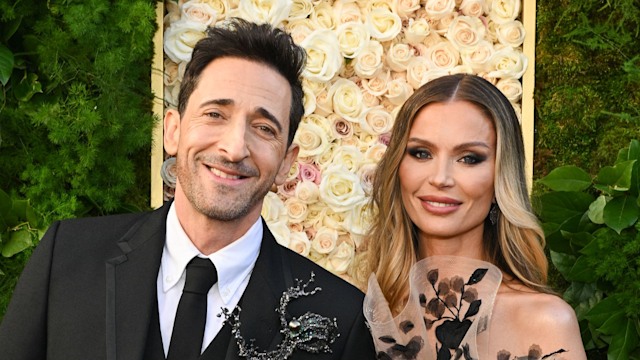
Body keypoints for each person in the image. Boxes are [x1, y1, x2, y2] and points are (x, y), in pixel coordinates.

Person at [0, 18, 375, 360]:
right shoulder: (67, 257)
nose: (233, 148)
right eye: (215, 114)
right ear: (173, 130)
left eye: (264, 128)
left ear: (286, 163)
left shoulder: (340, 320)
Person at [361, 74, 587, 359]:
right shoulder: (362, 315)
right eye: (421, 153)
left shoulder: (546, 321)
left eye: (469, 158)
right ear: (398, 168)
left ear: (500, 179)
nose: (440, 178)